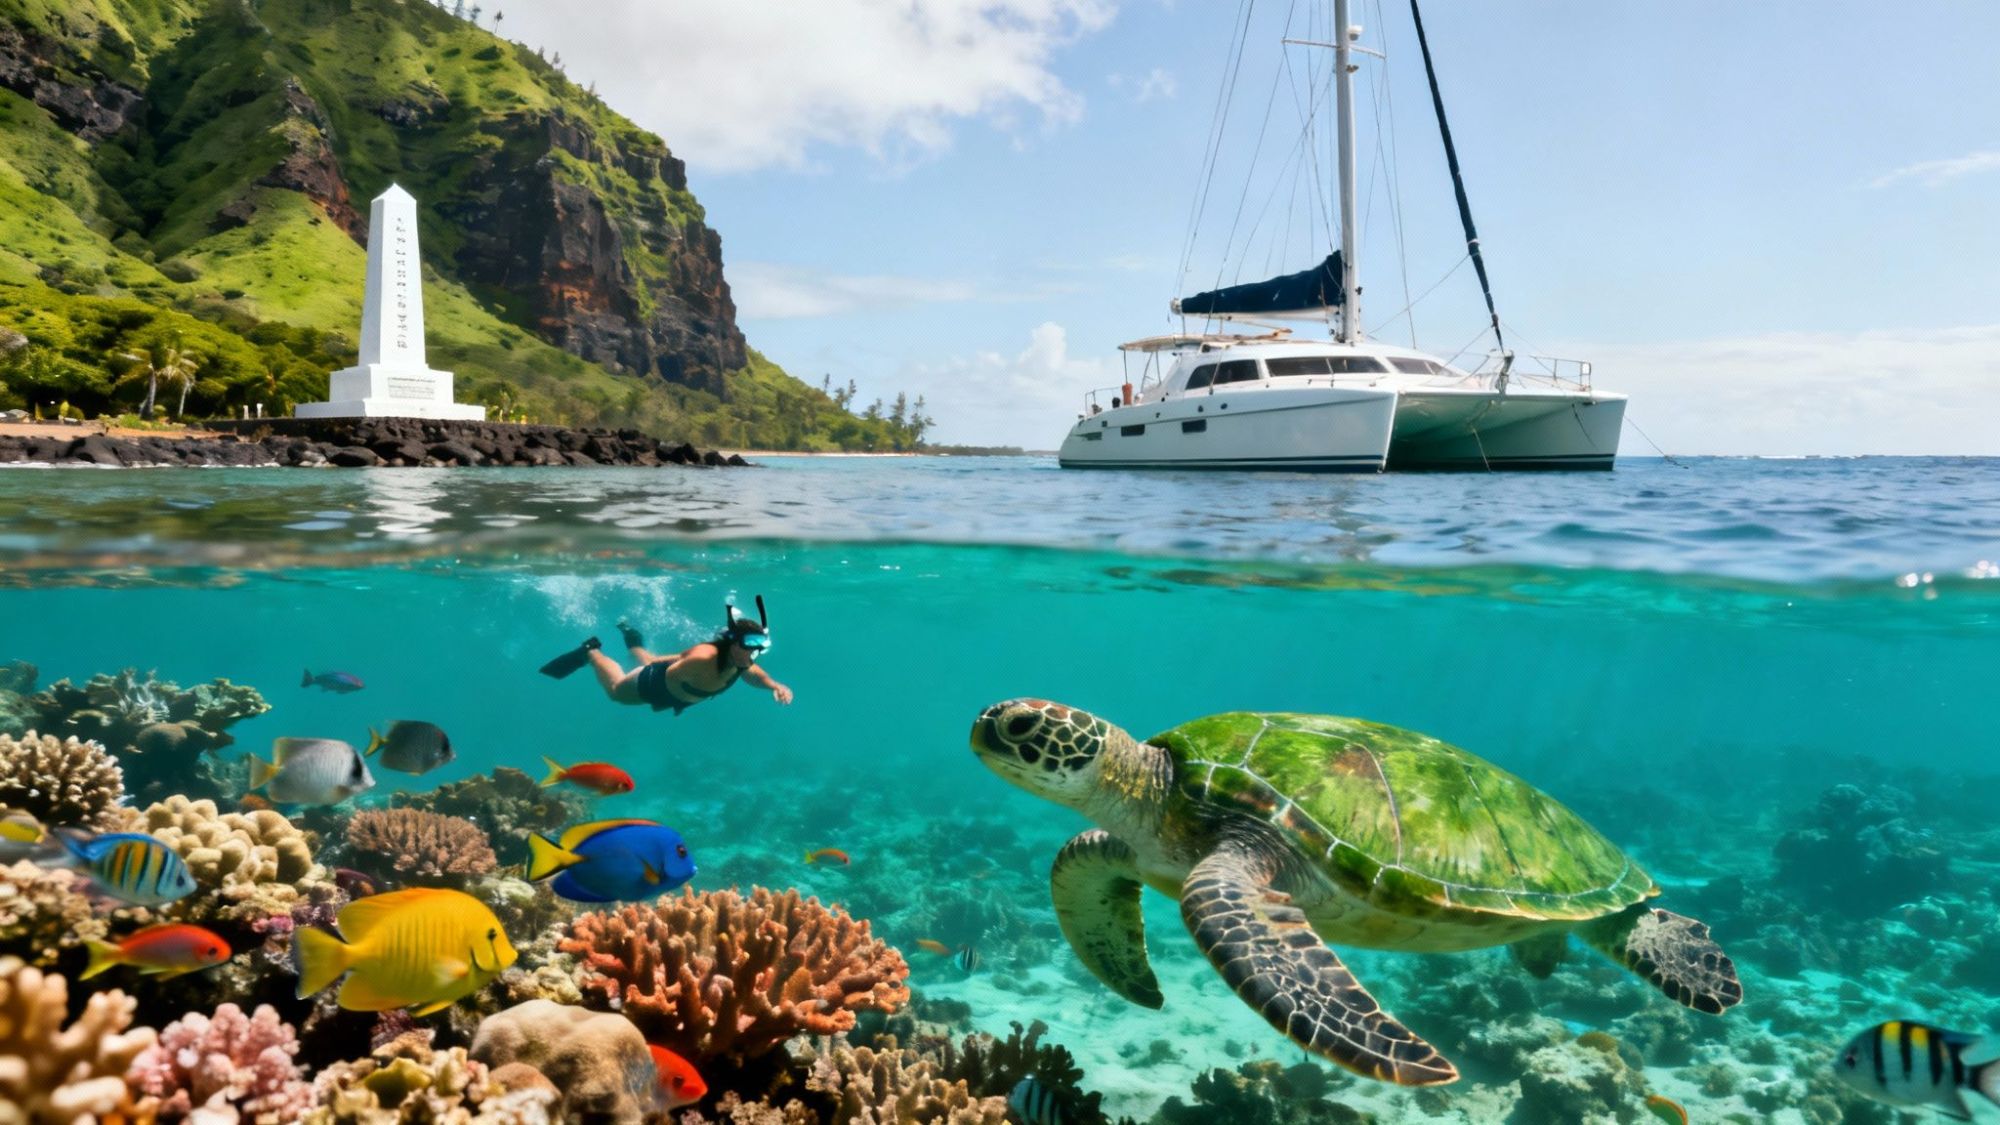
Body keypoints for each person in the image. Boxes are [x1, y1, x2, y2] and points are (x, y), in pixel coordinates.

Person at [539, 597, 793, 713]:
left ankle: (630, 634)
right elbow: (667, 671)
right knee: (617, 691)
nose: (753, 653)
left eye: (758, 647)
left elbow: (752, 673)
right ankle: (591, 652)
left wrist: (775, 685)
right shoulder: (703, 656)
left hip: (680, 695)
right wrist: (663, 695)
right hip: (656, 684)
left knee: (645, 655)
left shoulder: (742, 659)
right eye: (748, 645)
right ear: (732, 642)